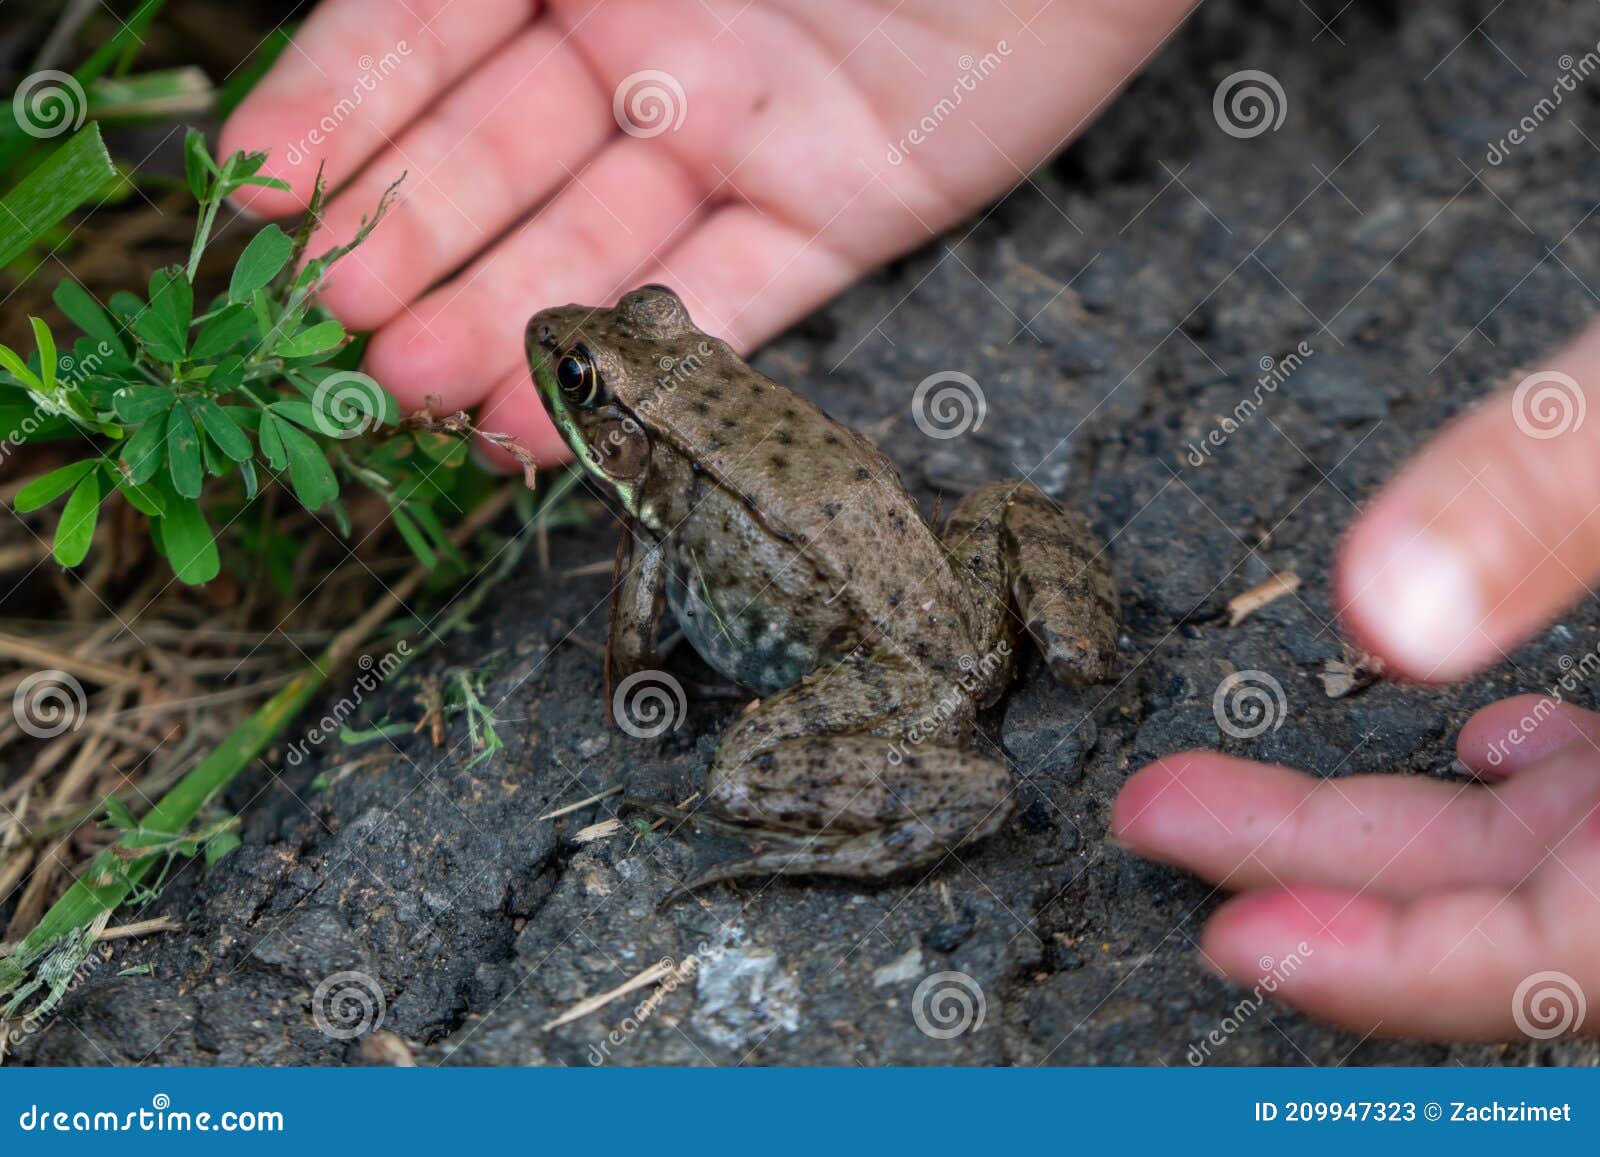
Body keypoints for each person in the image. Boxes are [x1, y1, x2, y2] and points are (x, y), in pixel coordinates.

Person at [221, 0, 1600, 1042]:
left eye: (594, 377)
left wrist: (637, 687)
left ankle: (876, 817)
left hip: (898, 676)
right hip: (960, 608)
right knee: (991, 506)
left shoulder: (649, 509)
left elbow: (639, 655)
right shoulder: (680, 461)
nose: (568, 366)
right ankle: (1078, 650)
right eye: (593, 379)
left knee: (739, 773)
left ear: (628, 430)